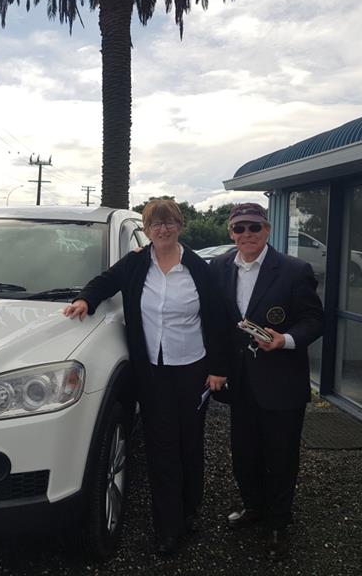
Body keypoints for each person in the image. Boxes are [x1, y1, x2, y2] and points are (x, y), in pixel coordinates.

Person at [63, 199, 229, 557]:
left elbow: (217, 319)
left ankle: (190, 509)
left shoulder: (198, 268)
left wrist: (218, 368)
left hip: (193, 368)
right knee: (161, 447)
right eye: (156, 224)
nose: (163, 229)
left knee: (189, 443)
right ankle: (168, 527)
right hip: (152, 370)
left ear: (180, 226)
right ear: (148, 230)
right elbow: (106, 281)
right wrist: (85, 300)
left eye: (169, 223)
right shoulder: (137, 262)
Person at [208, 202, 323, 561]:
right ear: (231, 233)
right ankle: (254, 507)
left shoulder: (294, 270)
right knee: (244, 453)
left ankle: (278, 523)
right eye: (239, 228)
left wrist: (285, 340)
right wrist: (146, 253)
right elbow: (216, 321)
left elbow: (314, 321)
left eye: (254, 227)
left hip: (281, 382)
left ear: (267, 230)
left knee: (281, 456)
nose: (247, 234)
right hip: (240, 382)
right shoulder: (219, 266)